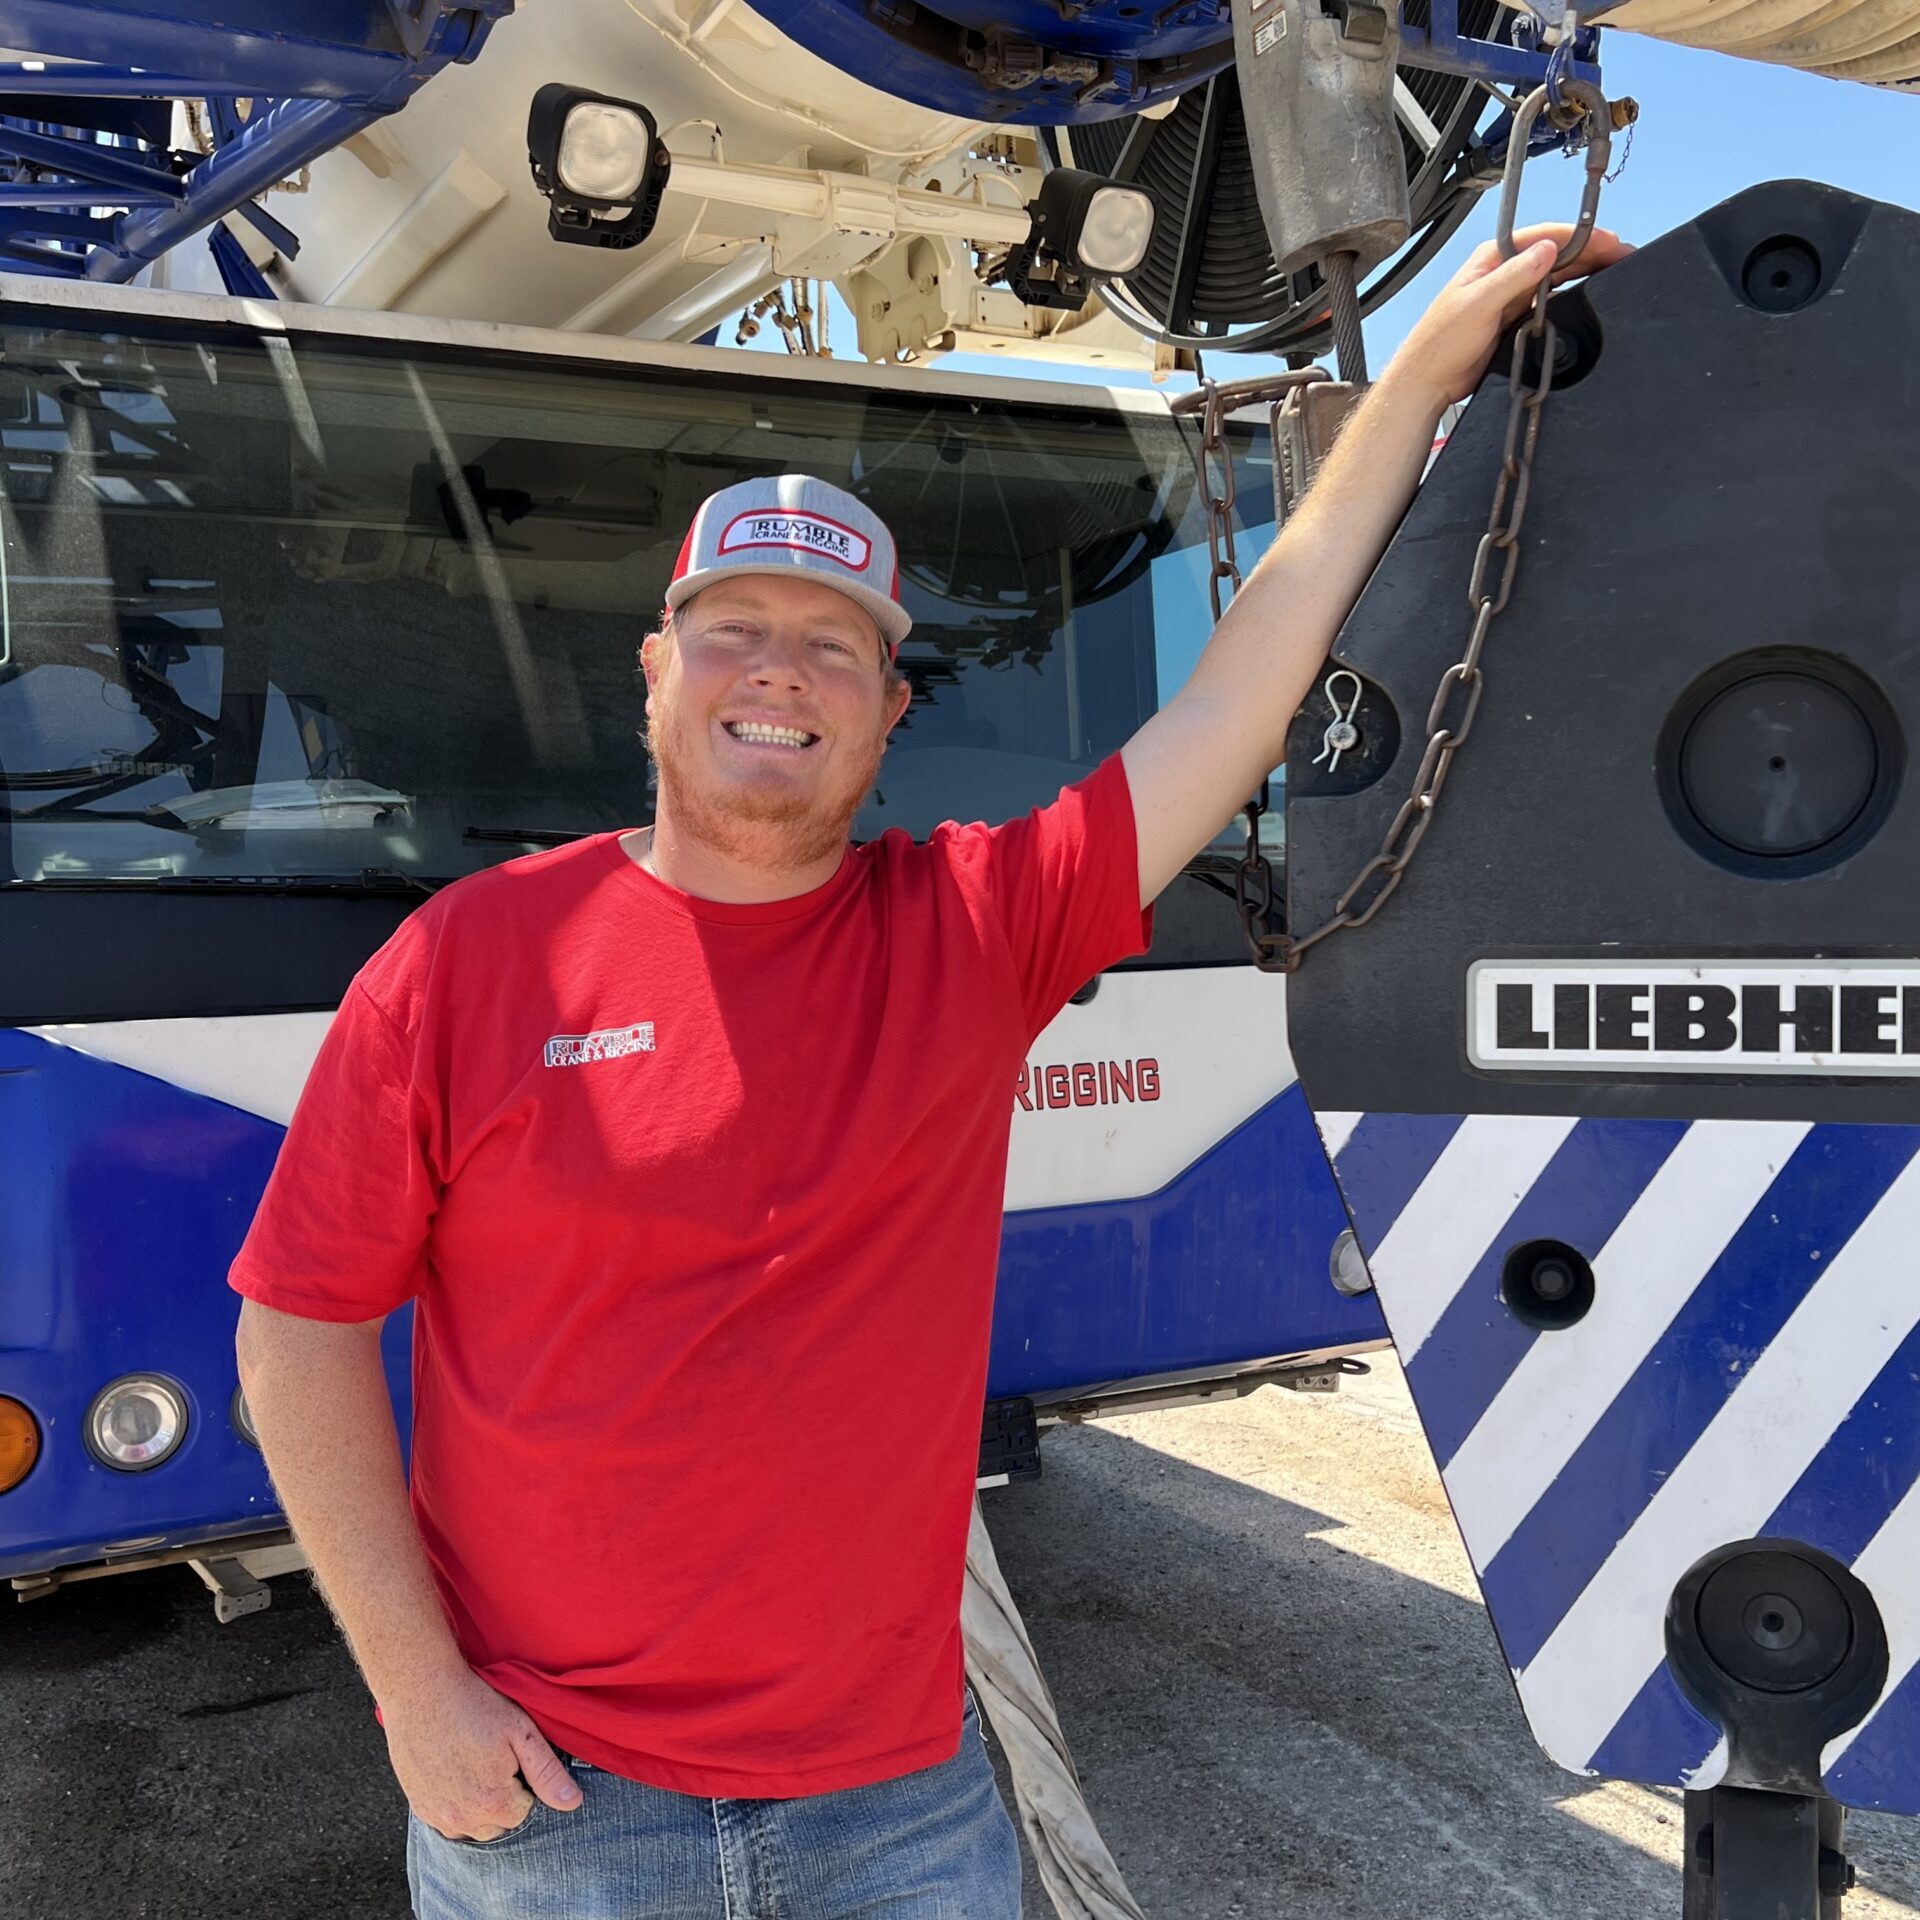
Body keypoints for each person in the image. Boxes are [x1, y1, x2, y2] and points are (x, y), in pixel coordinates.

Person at [232, 223, 1629, 1920]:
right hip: (554, 1811)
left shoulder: (974, 930)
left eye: (834, 647)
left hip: (899, 1811)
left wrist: (1419, 378)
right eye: (735, 626)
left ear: (887, 711)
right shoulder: (466, 960)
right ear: (656, 674)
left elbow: (1245, 685)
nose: (780, 671)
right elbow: (299, 1324)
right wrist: (414, 1698)